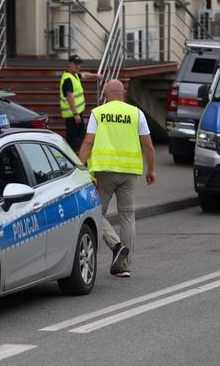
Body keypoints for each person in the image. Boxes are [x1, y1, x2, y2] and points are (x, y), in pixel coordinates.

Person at [78, 79, 156, 278]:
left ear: (105, 94)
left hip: (105, 172)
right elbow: (148, 146)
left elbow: (88, 142)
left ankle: (116, 245)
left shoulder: (98, 113)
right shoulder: (136, 113)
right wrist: (151, 170)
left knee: (96, 212)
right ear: (123, 93)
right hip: (129, 173)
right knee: (128, 217)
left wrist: (79, 168)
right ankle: (125, 265)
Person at [60, 54, 99, 152]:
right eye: (75, 64)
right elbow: (70, 97)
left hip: (76, 114)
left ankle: (76, 156)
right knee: (75, 138)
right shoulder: (68, 78)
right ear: (69, 64)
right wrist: (76, 114)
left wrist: (96, 76)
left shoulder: (75, 75)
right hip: (72, 115)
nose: (78, 66)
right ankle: (74, 157)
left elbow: (85, 75)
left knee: (80, 136)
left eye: (79, 64)